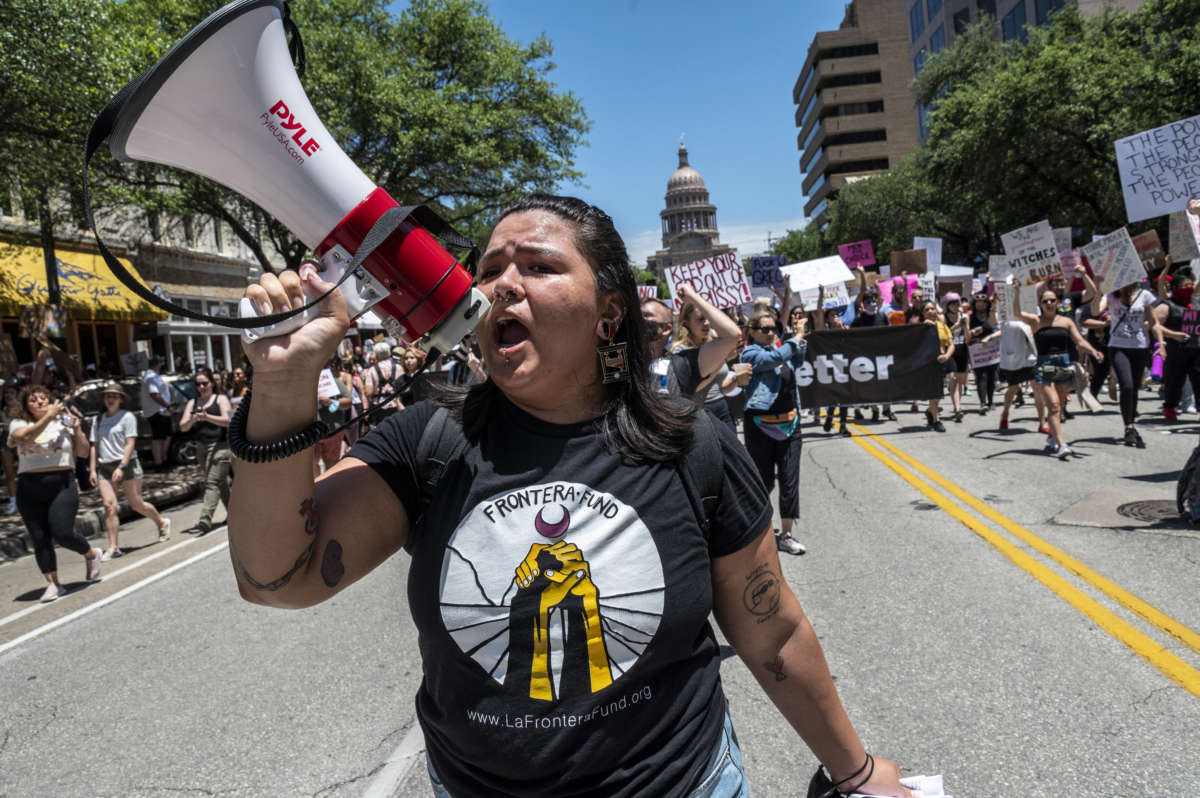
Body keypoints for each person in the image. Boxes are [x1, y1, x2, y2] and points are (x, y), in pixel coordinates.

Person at [230, 194, 913, 798]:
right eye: (490, 269)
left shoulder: (691, 444)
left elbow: (773, 627)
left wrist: (853, 772)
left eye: (538, 267)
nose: (502, 285)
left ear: (608, 311)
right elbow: (275, 579)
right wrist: (283, 389)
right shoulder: (426, 440)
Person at [8, 386, 102, 602]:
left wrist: (77, 430)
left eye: (44, 398)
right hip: (29, 486)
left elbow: (83, 453)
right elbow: (25, 437)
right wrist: (50, 416)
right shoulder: (19, 423)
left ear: (51, 401)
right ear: (26, 405)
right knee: (39, 538)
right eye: (34, 400)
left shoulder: (63, 422)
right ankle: (53, 583)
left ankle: (91, 554)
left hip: (62, 484)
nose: (40, 402)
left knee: (63, 532)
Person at [740, 308, 809, 556]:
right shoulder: (750, 353)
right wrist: (796, 338)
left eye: (774, 329)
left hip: (790, 423)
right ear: (752, 332)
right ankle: (760, 530)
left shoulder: (783, 349)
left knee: (790, 480)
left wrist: (800, 337)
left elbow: (797, 359)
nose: (770, 333)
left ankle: (786, 534)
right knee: (764, 481)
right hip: (760, 425)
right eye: (765, 329)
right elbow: (773, 359)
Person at [1017, 288, 1103, 459]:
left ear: (1057, 303)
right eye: (1045, 301)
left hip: (1063, 363)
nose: (1049, 303)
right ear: (1040, 304)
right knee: (1054, 405)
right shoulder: (1036, 321)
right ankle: (1062, 445)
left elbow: (1079, 340)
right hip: (1045, 364)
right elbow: (1016, 312)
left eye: (1052, 300)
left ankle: (1052, 437)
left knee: (1059, 406)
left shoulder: (1066, 321)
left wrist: (1093, 351)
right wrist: (1017, 291)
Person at [88, 381, 171, 559]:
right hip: (105, 466)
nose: (111, 399)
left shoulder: (127, 417)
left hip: (127, 464)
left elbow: (130, 443)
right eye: (108, 396)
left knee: (135, 503)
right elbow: (94, 445)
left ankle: (161, 522)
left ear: (121, 399)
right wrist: (92, 469)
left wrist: (121, 467)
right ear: (103, 399)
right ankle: (113, 547)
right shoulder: (98, 419)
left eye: (114, 396)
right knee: (109, 505)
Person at [1091, 281, 1161, 448]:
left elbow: (1154, 323)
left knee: (1135, 387)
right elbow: (1095, 311)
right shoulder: (1110, 296)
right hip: (1118, 346)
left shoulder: (1144, 295)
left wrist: (1161, 344)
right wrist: (1099, 289)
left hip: (1140, 347)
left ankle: (1131, 423)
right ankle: (1128, 427)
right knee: (1127, 386)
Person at [643, 285, 737, 397]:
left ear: (666, 329)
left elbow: (731, 335)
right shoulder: (621, 361)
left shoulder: (680, 364)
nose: (638, 321)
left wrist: (694, 297)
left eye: (646, 316)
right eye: (634, 317)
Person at [670, 291, 742, 431]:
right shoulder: (680, 352)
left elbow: (719, 388)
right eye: (700, 319)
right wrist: (724, 358)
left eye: (708, 318)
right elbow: (695, 386)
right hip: (698, 416)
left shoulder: (712, 344)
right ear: (686, 323)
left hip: (722, 410)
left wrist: (735, 381)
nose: (707, 323)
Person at [178, 367, 231, 533]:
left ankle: (204, 520)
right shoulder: (192, 403)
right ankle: (235, 513)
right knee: (220, 483)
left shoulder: (220, 399)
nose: (201, 387)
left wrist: (207, 417)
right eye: (198, 384)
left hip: (221, 446)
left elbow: (229, 420)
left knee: (212, 482)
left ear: (212, 383)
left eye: (204, 383)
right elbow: (182, 427)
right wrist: (192, 420)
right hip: (201, 448)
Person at [1155, 268, 1199, 421]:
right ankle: (1170, 408)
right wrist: (1174, 335)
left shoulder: (1193, 304)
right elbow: (1155, 326)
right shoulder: (1167, 305)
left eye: (1191, 285)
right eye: (1185, 285)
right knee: (1174, 381)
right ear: (1175, 288)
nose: (1190, 288)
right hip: (1176, 352)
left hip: (1196, 350)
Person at [995, 316, 1040, 431]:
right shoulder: (1005, 314)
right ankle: (1005, 413)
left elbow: (1036, 328)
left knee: (1037, 388)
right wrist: (994, 305)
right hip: (1014, 358)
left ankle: (1042, 422)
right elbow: (993, 322)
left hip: (1030, 356)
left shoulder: (1030, 310)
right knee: (1014, 388)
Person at [920, 300, 952, 433]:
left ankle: (930, 411)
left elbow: (951, 344)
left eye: (932, 308)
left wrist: (947, 356)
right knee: (934, 392)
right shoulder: (921, 327)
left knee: (938, 393)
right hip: (929, 364)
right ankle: (936, 420)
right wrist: (924, 327)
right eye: (926, 310)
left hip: (943, 361)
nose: (930, 311)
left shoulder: (942, 325)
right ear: (922, 313)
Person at [966, 291, 1000, 414]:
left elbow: (998, 330)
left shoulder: (991, 316)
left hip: (991, 348)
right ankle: (982, 403)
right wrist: (972, 333)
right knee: (981, 376)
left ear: (986, 304)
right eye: (977, 303)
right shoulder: (970, 317)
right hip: (976, 349)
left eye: (982, 303)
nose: (980, 305)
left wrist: (989, 337)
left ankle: (991, 401)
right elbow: (966, 334)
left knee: (991, 376)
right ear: (974, 305)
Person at [940, 293, 970, 423]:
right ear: (947, 306)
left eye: (957, 303)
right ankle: (957, 408)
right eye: (952, 304)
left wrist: (965, 326)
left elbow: (968, 338)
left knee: (961, 381)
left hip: (962, 349)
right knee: (953, 378)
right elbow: (943, 335)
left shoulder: (965, 317)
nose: (954, 306)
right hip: (950, 349)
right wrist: (955, 326)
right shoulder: (943, 318)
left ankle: (957, 404)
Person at [140, 355, 173, 469]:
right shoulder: (151, 377)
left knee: (166, 436)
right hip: (158, 411)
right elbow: (154, 394)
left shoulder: (153, 376)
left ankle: (163, 459)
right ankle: (159, 463)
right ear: (159, 364)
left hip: (161, 411)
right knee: (158, 438)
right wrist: (167, 406)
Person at [363, 341, 402, 423]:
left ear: (376, 355)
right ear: (389, 353)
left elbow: (369, 392)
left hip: (379, 407)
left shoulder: (372, 370)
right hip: (396, 405)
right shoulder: (398, 367)